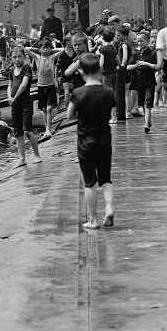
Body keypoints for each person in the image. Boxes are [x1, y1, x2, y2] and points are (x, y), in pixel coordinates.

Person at [67, 52, 115, 229]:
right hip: (105, 140)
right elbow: (110, 110)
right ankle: (109, 207)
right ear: (99, 69)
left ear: (81, 72)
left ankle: (94, 220)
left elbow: (69, 115)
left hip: (86, 141)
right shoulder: (108, 91)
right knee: (106, 179)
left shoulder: (79, 92)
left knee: (89, 182)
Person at [7, 47, 41, 167]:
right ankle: (22, 158)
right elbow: (9, 85)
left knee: (27, 130)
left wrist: (14, 98)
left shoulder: (27, 68)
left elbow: (23, 85)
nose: (17, 59)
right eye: (14, 57)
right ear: (11, 59)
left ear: (24, 57)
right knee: (17, 132)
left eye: (19, 57)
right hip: (15, 105)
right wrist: (9, 97)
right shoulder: (11, 70)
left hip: (25, 102)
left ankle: (37, 155)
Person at [24, 42, 61, 140]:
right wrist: (38, 49)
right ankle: (47, 128)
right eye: (43, 48)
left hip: (50, 85)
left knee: (49, 108)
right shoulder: (37, 57)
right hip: (41, 86)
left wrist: (51, 50)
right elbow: (26, 49)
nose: (45, 50)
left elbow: (63, 50)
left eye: (47, 48)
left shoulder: (52, 57)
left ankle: (48, 129)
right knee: (44, 109)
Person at [127, 31, 158, 133]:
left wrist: (145, 63)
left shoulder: (153, 53)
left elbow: (157, 67)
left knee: (148, 103)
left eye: (142, 41)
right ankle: (148, 121)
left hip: (149, 81)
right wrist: (136, 66)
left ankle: (146, 126)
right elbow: (128, 66)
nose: (139, 43)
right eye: (138, 41)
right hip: (139, 82)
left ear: (147, 41)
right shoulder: (136, 54)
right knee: (143, 104)